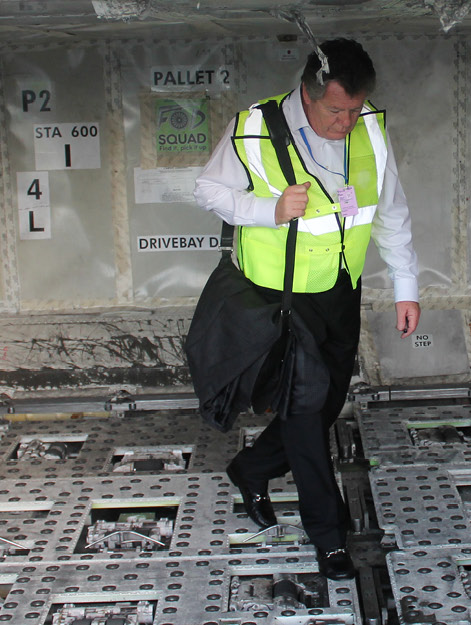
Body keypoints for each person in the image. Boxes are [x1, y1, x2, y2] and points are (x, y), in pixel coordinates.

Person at [194, 38, 420, 580]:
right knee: (303, 413)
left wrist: (407, 284)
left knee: (326, 402)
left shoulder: (369, 129)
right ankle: (329, 534)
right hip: (282, 297)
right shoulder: (255, 127)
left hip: (340, 289)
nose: (347, 120)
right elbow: (208, 189)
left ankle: (251, 469)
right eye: (336, 110)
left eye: (355, 108)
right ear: (309, 94)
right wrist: (267, 209)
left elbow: (389, 210)